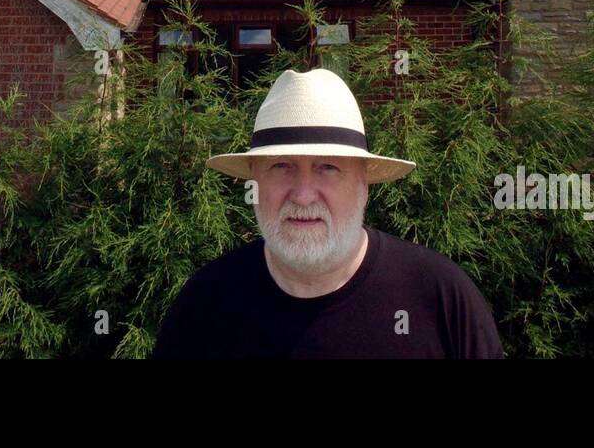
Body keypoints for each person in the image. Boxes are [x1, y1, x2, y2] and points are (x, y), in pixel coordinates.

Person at [153, 67, 503, 358]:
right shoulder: (206, 305)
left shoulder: (440, 298)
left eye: (328, 167)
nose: (303, 196)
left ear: (363, 184)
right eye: (281, 166)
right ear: (255, 181)